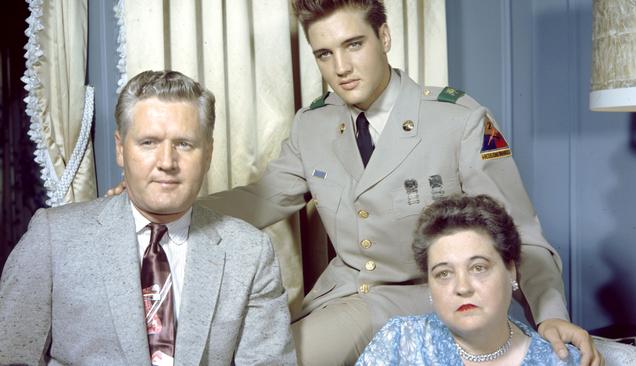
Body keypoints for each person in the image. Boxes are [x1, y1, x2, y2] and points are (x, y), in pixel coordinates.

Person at [109, 1, 598, 365]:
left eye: (353, 45)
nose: (340, 68)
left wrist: (549, 311)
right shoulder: (313, 125)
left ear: (384, 36)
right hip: (341, 293)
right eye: (324, 54)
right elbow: (259, 199)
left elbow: (521, 235)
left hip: (419, 298)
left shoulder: (458, 120)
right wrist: (159, 206)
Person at [0, 71, 297, 365]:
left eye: (184, 144)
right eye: (148, 143)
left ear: (208, 155)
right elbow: (11, 356)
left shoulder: (250, 253)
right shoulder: (54, 237)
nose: (167, 163)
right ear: (120, 149)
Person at [356, 194, 581, 365]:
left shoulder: (558, 359)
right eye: (443, 273)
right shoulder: (398, 340)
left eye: (478, 268)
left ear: (511, 270)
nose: (462, 288)